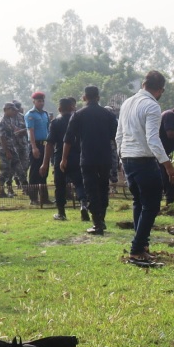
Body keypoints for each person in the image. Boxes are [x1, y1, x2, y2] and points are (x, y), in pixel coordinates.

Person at [113, 71, 174, 264]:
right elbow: (153, 140)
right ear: (160, 90)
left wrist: (121, 158)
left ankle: (142, 246)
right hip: (144, 160)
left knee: (139, 203)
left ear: (144, 84)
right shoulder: (151, 106)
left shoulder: (127, 103)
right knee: (151, 205)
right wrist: (168, 166)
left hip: (128, 158)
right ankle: (136, 249)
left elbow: (119, 135)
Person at [62, 85, 118, 236]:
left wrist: (63, 159)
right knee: (103, 187)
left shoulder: (78, 115)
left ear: (84, 97)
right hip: (105, 157)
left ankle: (97, 223)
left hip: (88, 158)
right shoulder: (108, 115)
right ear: (98, 98)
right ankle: (102, 219)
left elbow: (68, 139)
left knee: (91, 189)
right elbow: (115, 137)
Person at [48, 97, 83, 221]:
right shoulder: (78, 121)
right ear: (72, 107)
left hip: (59, 157)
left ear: (59, 109)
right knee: (79, 183)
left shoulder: (55, 122)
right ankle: (83, 205)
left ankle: (61, 212)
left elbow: (50, 143)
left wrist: (45, 162)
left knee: (60, 185)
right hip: (77, 156)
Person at [0, 101, 28, 199]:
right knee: (4, 171)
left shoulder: (10, 120)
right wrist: (7, 151)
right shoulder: (2, 121)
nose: (15, 112)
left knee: (19, 169)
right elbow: (2, 138)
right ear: (6, 110)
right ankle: (1, 191)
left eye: (15, 110)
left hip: (14, 149)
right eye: (12, 110)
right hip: (5, 150)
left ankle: (27, 189)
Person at [26, 91, 51, 206]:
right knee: (35, 171)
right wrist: (34, 147)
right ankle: (33, 198)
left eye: (42, 101)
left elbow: (47, 130)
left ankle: (44, 198)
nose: (41, 103)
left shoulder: (45, 114)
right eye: (39, 101)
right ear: (34, 102)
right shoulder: (30, 115)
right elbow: (30, 131)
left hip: (45, 144)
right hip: (35, 144)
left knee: (44, 171)